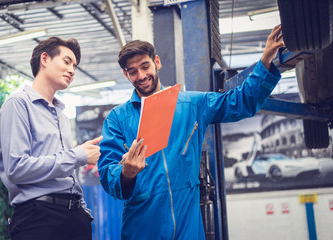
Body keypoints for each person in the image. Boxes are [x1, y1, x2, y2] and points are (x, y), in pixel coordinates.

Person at [98, 25, 285, 239]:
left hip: (189, 227)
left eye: (145, 66)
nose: (141, 75)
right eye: (133, 71)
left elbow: (241, 102)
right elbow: (106, 174)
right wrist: (126, 173)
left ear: (157, 62)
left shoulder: (192, 104)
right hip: (143, 228)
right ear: (126, 74)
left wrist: (266, 60)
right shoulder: (118, 119)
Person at [0, 37, 103, 240]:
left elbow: (66, 176)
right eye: (67, 61)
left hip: (75, 218)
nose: (72, 70)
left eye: (75, 66)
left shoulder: (61, 115)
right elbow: (17, 168)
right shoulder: (18, 104)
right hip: (39, 219)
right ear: (45, 58)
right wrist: (77, 155)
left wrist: (84, 213)